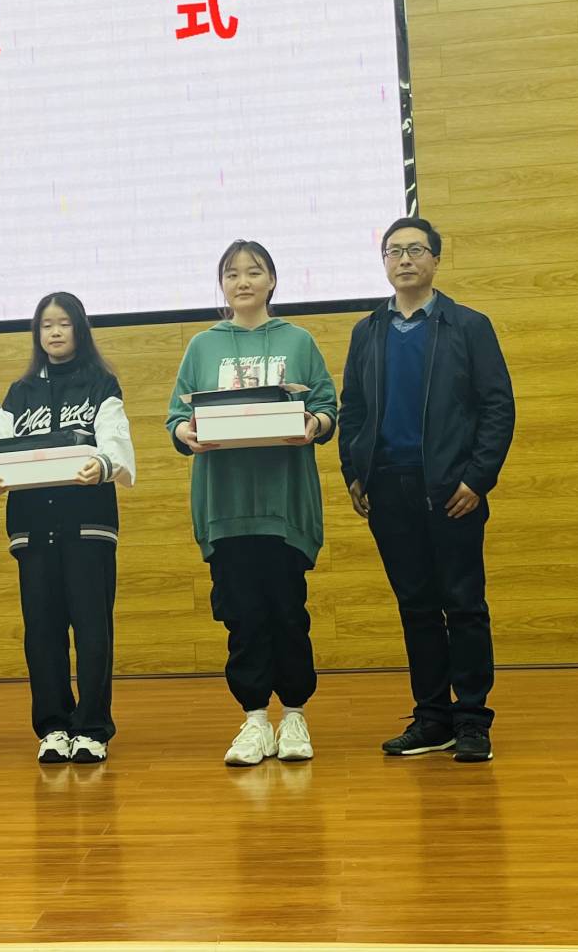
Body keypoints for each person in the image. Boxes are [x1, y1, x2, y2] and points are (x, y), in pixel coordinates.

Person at [339, 216, 515, 763]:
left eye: (416, 250)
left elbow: (497, 407)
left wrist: (477, 478)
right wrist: (354, 470)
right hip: (388, 488)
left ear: (436, 259)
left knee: (464, 605)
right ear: (384, 263)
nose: (405, 259)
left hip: (452, 490)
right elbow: (353, 408)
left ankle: (473, 719)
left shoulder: (468, 326)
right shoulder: (368, 331)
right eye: (394, 251)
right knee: (416, 607)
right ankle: (432, 718)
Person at [165, 240, 337, 767]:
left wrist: (314, 423)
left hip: (284, 505)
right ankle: (255, 720)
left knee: (288, 611)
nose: (242, 281)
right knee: (242, 616)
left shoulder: (299, 340)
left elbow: (327, 407)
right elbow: (177, 418)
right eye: (232, 273)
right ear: (222, 284)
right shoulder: (202, 346)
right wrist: (186, 433)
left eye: (254, 271)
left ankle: (295, 716)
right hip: (226, 506)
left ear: (272, 281)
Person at [0, 292, 136, 764]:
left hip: (88, 526)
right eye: (46, 325)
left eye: (64, 323)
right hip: (33, 529)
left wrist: (102, 465)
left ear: (80, 329)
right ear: (36, 334)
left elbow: (117, 445)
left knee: (92, 630)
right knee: (42, 632)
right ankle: (53, 727)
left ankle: (93, 728)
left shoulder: (102, 384)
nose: (55, 332)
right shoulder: (20, 392)